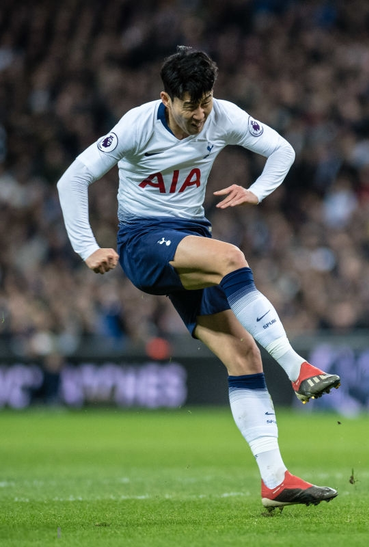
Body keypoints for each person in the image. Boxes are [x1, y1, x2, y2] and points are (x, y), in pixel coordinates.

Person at [56, 46, 341, 510]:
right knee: (230, 257)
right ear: (166, 98)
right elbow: (72, 179)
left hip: (189, 239)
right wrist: (87, 248)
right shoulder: (136, 125)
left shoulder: (221, 116)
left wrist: (257, 191)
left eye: (207, 100)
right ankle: (297, 368)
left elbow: (281, 149)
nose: (201, 114)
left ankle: (275, 480)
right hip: (143, 242)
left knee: (244, 352)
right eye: (191, 104)